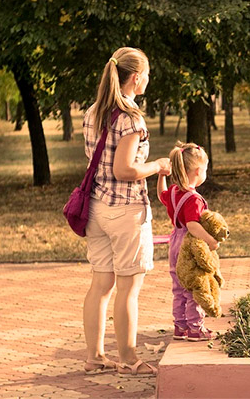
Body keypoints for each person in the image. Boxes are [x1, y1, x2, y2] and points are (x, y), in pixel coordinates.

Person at [82, 47, 171, 376]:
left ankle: (94, 357)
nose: (148, 80)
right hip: (125, 211)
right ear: (136, 78)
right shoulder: (131, 119)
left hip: (95, 209)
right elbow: (124, 170)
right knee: (128, 288)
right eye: (147, 74)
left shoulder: (93, 112)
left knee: (100, 285)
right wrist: (158, 165)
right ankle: (129, 359)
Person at [157, 142, 219, 341]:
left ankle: (180, 326)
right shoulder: (194, 199)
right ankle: (195, 328)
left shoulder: (174, 191)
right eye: (206, 170)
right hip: (188, 245)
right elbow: (193, 225)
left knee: (178, 287)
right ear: (199, 171)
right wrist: (210, 240)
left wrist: (161, 177)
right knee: (194, 285)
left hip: (174, 241)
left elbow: (161, 195)